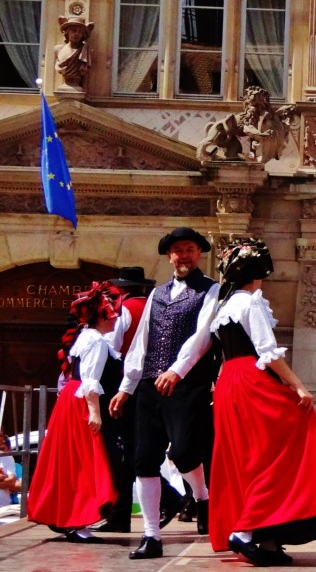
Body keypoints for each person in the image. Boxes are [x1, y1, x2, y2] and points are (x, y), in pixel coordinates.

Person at [208, 237, 316, 566]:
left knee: (248, 459)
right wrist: (299, 386)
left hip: (229, 383)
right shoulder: (251, 303)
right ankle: (245, 533)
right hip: (250, 380)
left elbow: (221, 355)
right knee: (281, 453)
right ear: (259, 271)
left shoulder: (225, 306)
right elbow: (268, 353)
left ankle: (269, 538)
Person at [108, 227, 220, 560]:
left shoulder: (211, 291)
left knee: (185, 453)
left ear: (198, 253)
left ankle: (202, 497)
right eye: (177, 250)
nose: (183, 255)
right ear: (169, 256)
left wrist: (177, 370)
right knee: (144, 460)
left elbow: (202, 337)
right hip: (149, 386)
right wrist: (126, 387)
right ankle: (151, 536)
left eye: (189, 249)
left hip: (187, 385)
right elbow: (141, 342)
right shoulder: (157, 294)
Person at [27, 282, 121, 543]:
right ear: (101, 316)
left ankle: (65, 515)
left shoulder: (86, 336)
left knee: (67, 460)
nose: (115, 318)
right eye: (112, 314)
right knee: (81, 462)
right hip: (80, 400)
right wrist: (95, 413)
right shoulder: (98, 341)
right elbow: (90, 380)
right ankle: (74, 519)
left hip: (71, 397)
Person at [91, 266, 158, 533]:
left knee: (119, 448)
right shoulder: (154, 307)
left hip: (123, 385)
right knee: (138, 446)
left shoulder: (125, 310)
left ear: (122, 287)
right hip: (151, 382)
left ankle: (119, 512)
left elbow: (113, 346)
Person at [54, 15, 94, 89]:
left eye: (79, 32)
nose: (76, 34)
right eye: (74, 31)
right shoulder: (58, 49)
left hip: (77, 85)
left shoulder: (85, 51)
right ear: (67, 32)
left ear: (82, 35)